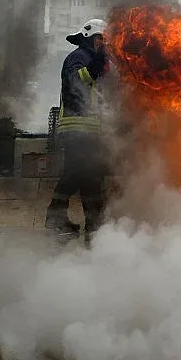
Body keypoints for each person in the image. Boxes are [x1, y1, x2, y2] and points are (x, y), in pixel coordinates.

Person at [45, 18, 110, 240]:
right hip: (76, 127)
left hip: (90, 129)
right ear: (90, 38)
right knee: (76, 172)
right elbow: (77, 83)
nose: (103, 43)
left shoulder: (95, 61)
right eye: (101, 39)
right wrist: (98, 63)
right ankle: (55, 217)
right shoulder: (77, 58)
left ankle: (94, 225)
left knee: (91, 177)